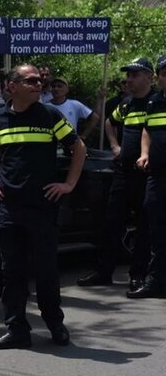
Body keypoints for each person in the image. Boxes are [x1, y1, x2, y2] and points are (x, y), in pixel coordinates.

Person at [0, 64, 86, 350]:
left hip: (42, 208)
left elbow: (78, 148)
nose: (38, 84)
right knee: (12, 272)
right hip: (8, 208)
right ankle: (17, 329)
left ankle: (55, 323)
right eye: (29, 81)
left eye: (38, 80)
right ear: (12, 86)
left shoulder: (49, 115)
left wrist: (68, 184)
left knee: (46, 271)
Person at [77, 58, 153, 290]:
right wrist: (114, 146)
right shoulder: (126, 104)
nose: (129, 79)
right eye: (128, 75)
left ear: (149, 77)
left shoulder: (157, 103)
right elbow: (110, 123)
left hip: (146, 175)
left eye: (135, 75)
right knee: (111, 223)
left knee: (144, 226)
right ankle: (103, 271)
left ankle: (137, 274)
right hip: (122, 172)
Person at [132, 55, 166, 298]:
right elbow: (147, 130)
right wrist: (144, 153)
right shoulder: (154, 102)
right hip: (157, 175)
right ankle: (155, 281)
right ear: (159, 77)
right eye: (165, 73)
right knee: (156, 228)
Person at [48, 76, 101, 140]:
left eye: (59, 86)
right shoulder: (45, 106)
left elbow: (95, 118)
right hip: (49, 143)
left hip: (70, 145)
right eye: (53, 86)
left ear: (67, 89)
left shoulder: (75, 104)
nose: (56, 89)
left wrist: (83, 136)